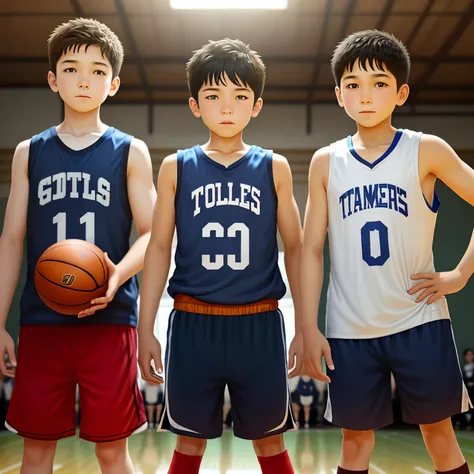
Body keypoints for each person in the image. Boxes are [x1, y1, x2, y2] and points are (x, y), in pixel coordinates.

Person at [300, 29, 474, 474]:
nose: (366, 94)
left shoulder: (426, 149)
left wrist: (459, 275)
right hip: (349, 327)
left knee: (439, 435)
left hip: (419, 318)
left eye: (379, 83)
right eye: (353, 84)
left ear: (401, 92)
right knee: (354, 444)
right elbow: (311, 250)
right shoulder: (326, 160)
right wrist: (307, 327)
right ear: (339, 95)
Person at [138, 38, 303, 474]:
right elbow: (158, 247)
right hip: (193, 322)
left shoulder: (275, 166)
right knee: (188, 446)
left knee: (271, 443)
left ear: (257, 105)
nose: (226, 107)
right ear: (195, 105)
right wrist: (145, 326)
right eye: (213, 96)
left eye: (239, 96)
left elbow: (298, 247)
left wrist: (304, 325)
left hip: (260, 321)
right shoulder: (176, 166)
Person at [0, 18, 156, 474]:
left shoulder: (131, 150)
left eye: (97, 70)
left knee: (112, 451)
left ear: (114, 84)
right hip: (43, 321)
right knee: (37, 451)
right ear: (53, 80)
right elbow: (12, 238)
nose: (84, 79)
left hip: (109, 323)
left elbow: (152, 236)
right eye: (70, 68)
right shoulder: (30, 151)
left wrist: (116, 275)